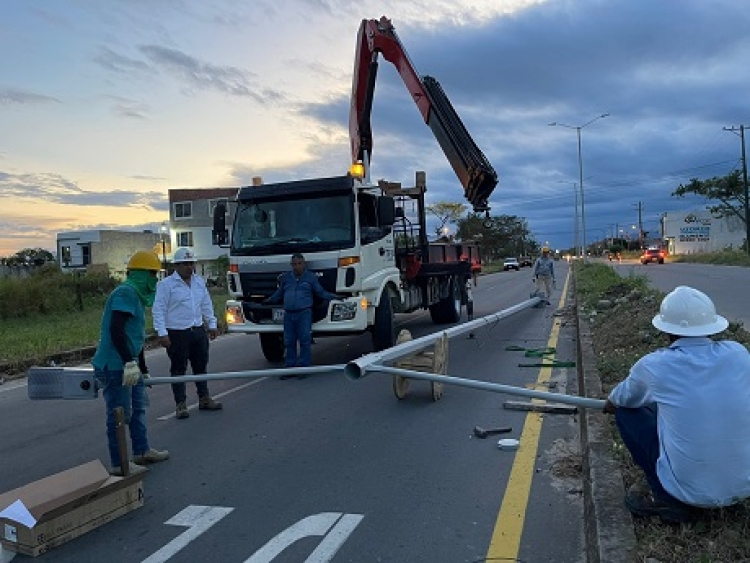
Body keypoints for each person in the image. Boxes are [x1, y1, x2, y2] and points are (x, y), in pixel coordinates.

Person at [603, 286, 750, 523]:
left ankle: (665, 498)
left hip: (688, 492)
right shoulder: (739, 354)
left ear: (664, 330)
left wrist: (611, 404)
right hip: (742, 488)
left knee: (627, 413)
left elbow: (619, 400)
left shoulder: (655, 365)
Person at [92, 250, 170, 476]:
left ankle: (142, 451)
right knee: (118, 414)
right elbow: (115, 329)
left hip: (128, 362)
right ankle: (119, 464)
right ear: (141, 274)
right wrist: (128, 362)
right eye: (152, 274)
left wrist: (142, 368)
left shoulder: (135, 295)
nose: (155, 279)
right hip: (115, 365)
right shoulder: (125, 293)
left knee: (138, 408)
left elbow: (135, 337)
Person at [152, 247, 222, 419]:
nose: (189, 267)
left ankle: (204, 398)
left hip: (197, 330)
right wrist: (162, 332)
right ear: (176, 266)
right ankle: (180, 404)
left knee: (201, 366)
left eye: (191, 264)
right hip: (177, 332)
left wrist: (212, 324)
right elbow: (158, 309)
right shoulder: (166, 285)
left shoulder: (199, 282)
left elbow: (206, 304)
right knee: (178, 369)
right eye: (185, 264)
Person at [263, 253, 341, 378]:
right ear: (291, 265)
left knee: (304, 340)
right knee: (289, 341)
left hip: (304, 313)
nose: (297, 266)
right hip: (289, 314)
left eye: (299, 263)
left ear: (304, 264)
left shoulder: (311, 278)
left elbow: (320, 292)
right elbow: (279, 294)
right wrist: (268, 300)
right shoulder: (286, 278)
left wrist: (335, 297)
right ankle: (290, 368)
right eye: (294, 264)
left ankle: (304, 368)